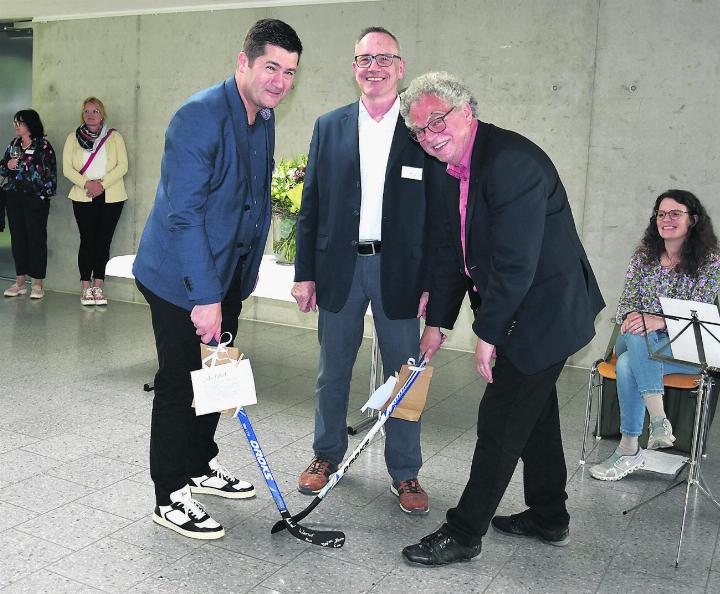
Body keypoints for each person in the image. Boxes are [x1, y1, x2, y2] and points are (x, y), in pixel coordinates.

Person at [398, 72, 605, 566]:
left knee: (500, 419)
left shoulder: (513, 163)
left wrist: (487, 334)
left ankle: (464, 533)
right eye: (419, 131)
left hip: (546, 310)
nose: (429, 136)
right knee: (536, 417)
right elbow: (450, 252)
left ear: (466, 111)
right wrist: (437, 323)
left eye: (437, 121)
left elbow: (517, 264)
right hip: (516, 305)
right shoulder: (446, 169)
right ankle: (549, 517)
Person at [132, 19, 302, 540]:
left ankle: (200, 465)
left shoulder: (264, 117)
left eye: (290, 71)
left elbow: (251, 202)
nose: (279, 80)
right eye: (271, 66)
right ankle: (169, 493)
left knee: (213, 376)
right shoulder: (200, 116)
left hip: (223, 275)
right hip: (177, 278)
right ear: (243, 62)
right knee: (180, 382)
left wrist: (239, 280)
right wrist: (205, 297)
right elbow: (184, 215)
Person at [292, 26, 431, 514]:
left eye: (383, 58)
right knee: (333, 372)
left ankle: (406, 473)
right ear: (354, 68)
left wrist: (434, 283)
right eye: (364, 59)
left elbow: (436, 214)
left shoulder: (419, 129)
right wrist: (303, 272)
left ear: (400, 66)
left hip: (400, 273)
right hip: (339, 268)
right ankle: (326, 454)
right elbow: (310, 207)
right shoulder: (329, 125)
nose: (373, 67)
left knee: (406, 376)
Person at [590, 190, 720, 481]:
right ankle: (658, 419)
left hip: (681, 347)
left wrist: (658, 320)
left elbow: (697, 312)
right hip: (633, 335)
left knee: (627, 364)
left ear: (694, 220)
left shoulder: (711, 263)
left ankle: (629, 447)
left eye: (675, 213)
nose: (666, 219)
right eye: (661, 214)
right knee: (638, 335)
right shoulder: (643, 256)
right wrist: (640, 320)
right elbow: (625, 304)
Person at [63, 97, 129, 306]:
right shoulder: (72, 138)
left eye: (95, 111)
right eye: (87, 112)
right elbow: (66, 169)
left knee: (104, 240)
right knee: (87, 239)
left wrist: (101, 184)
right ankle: (85, 287)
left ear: (102, 115)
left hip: (111, 196)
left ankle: (98, 285)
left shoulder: (114, 137)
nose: (90, 115)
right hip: (83, 196)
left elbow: (123, 166)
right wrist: (87, 184)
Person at [0, 110, 57, 299]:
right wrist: (7, 166)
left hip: (35, 199)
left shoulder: (43, 145)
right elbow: (2, 168)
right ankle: (20, 283)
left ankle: (38, 284)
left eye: (20, 123)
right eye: (15, 122)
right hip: (14, 197)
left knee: (36, 239)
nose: (16, 126)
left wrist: (43, 196)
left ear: (30, 124)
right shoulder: (14, 144)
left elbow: (50, 174)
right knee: (18, 239)